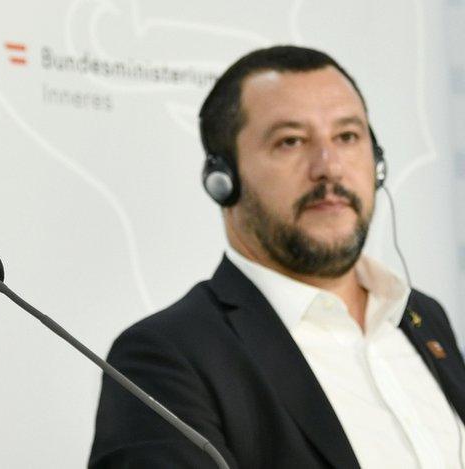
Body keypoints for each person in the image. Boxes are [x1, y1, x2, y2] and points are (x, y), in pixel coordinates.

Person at [89, 45, 465, 468]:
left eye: (347, 137)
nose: (329, 167)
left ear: (377, 162)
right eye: (291, 141)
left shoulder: (421, 316)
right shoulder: (165, 358)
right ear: (222, 180)